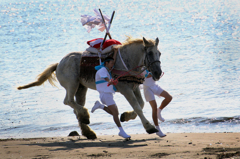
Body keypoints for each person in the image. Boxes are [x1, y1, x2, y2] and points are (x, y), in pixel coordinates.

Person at [91, 48, 131, 139]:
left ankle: (100, 106)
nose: (113, 65)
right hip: (105, 94)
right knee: (115, 114)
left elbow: (112, 61)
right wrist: (110, 81)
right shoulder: (102, 70)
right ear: (106, 63)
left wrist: (116, 52)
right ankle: (121, 131)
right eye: (111, 63)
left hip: (107, 94)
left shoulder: (106, 69)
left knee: (115, 113)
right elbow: (105, 79)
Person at [143, 70, 172, 137]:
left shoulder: (151, 65)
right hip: (147, 89)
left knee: (169, 97)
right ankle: (157, 129)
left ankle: (159, 110)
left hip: (155, 86)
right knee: (154, 108)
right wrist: (145, 75)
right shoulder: (141, 65)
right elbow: (137, 76)